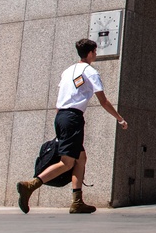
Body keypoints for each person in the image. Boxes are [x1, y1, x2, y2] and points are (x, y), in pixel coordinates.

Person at [17, 38, 128, 214]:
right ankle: (30, 185)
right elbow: (103, 101)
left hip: (61, 117)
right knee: (67, 162)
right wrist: (120, 119)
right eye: (95, 52)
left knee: (80, 158)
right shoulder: (91, 71)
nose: (96, 54)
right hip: (73, 118)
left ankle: (77, 201)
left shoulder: (67, 71)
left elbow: (61, 96)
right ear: (91, 53)